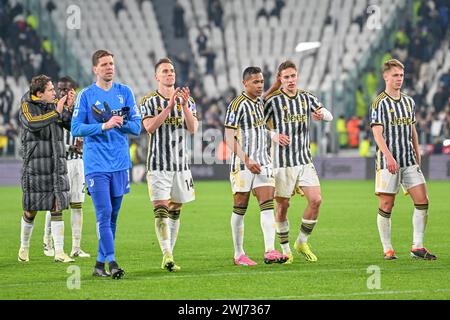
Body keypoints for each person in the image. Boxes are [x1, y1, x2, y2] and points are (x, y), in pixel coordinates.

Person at [71, 50, 142, 279]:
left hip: (120, 163)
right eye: (104, 64)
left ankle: (99, 265)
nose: (109, 67)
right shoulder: (86, 95)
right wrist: (103, 126)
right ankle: (112, 262)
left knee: (113, 217)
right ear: (95, 69)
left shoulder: (125, 92)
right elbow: (76, 129)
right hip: (96, 165)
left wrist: (117, 123)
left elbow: (137, 127)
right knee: (104, 214)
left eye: (111, 63)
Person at [264, 61, 333, 263]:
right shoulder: (272, 101)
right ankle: (285, 250)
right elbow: (258, 126)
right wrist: (274, 135)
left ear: (297, 76)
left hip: (304, 160)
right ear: (280, 79)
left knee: (316, 200)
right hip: (281, 163)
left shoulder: (306, 97)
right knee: (283, 206)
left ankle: (302, 241)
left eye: (293, 76)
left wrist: (322, 115)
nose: (291, 80)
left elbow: (328, 114)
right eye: (286, 77)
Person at [370, 59, 436, 260]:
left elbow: (412, 131)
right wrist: (389, 157)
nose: (399, 79)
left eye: (401, 75)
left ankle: (417, 246)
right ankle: (387, 248)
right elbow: (377, 134)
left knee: (422, 200)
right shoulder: (379, 102)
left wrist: (417, 155)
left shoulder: (409, 102)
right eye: (395, 75)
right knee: (387, 204)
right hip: (387, 162)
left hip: (409, 161)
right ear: (386, 76)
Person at [224, 66, 287, 266]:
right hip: (243, 165)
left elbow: (268, 94)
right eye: (256, 82)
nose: (260, 86)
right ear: (245, 83)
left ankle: (269, 250)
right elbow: (228, 136)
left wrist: (277, 82)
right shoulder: (237, 105)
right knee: (240, 208)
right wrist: (246, 159)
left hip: (263, 162)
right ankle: (238, 254)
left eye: (261, 82)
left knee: (267, 206)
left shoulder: (259, 102)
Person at [140, 58, 198, 272]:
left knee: (176, 209)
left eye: (172, 71)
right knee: (161, 210)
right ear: (157, 76)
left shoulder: (188, 100)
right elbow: (150, 127)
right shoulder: (149, 101)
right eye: (165, 71)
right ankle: (167, 254)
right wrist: (170, 106)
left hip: (181, 166)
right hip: (158, 165)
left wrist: (182, 106)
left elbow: (193, 129)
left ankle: (169, 254)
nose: (170, 74)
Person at [18, 74, 76, 263]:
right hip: (35, 166)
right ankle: (24, 248)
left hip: (55, 165)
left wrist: (70, 107)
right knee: (30, 210)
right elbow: (33, 124)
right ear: (39, 93)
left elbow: (70, 125)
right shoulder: (26, 105)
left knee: (56, 206)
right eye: (51, 90)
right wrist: (57, 113)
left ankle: (59, 252)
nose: (55, 92)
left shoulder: (55, 104)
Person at [43, 76, 90, 259]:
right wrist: (71, 147)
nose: (62, 93)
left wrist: (84, 145)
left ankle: (76, 248)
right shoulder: (53, 110)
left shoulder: (82, 110)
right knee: (56, 204)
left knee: (77, 204)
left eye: (66, 90)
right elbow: (49, 141)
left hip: (78, 163)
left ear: (74, 91)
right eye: (59, 89)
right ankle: (47, 241)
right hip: (60, 162)